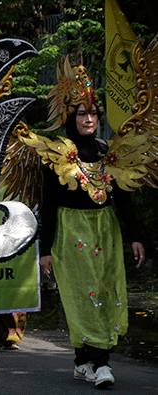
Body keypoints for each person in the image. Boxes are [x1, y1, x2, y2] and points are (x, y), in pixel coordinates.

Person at [38, 87, 145, 388]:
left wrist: (137, 237)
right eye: (82, 113)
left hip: (106, 230)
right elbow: (48, 205)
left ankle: (82, 361)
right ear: (71, 117)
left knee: (105, 291)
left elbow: (123, 198)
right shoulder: (55, 155)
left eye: (93, 113)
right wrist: (44, 249)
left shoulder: (106, 151)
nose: (89, 118)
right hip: (71, 232)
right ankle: (102, 365)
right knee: (84, 294)